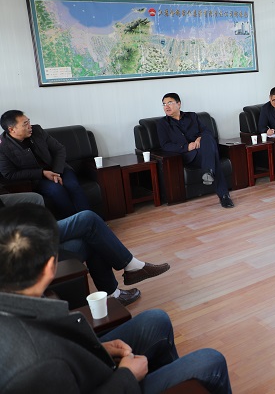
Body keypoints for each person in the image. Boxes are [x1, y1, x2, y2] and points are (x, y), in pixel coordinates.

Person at [0, 204, 231, 393]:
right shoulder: (37, 366)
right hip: (110, 384)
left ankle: (174, 383)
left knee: (156, 319)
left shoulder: (16, 305)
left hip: (86, 366)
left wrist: (99, 348)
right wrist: (127, 376)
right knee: (211, 361)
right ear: (51, 267)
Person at [0, 192, 169, 306]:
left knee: (93, 235)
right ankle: (131, 269)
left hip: (20, 231)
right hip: (20, 238)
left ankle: (114, 293)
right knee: (89, 220)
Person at [0, 110, 90, 218]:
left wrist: (56, 172)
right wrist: (42, 173)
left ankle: (90, 219)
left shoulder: (37, 131)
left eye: (29, 121)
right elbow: (9, 174)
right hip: (37, 178)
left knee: (73, 185)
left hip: (58, 168)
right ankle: (74, 223)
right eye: (25, 124)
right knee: (57, 190)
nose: (30, 126)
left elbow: (59, 149)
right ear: (11, 129)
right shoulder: (3, 147)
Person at [157, 93, 234, 208]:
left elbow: (207, 131)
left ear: (179, 104)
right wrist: (186, 147)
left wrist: (199, 138)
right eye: (164, 104)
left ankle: (209, 173)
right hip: (189, 156)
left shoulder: (192, 116)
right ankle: (223, 195)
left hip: (204, 150)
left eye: (169, 103)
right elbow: (165, 145)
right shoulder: (162, 124)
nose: (166, 106)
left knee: (207, 137)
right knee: (213, 156)